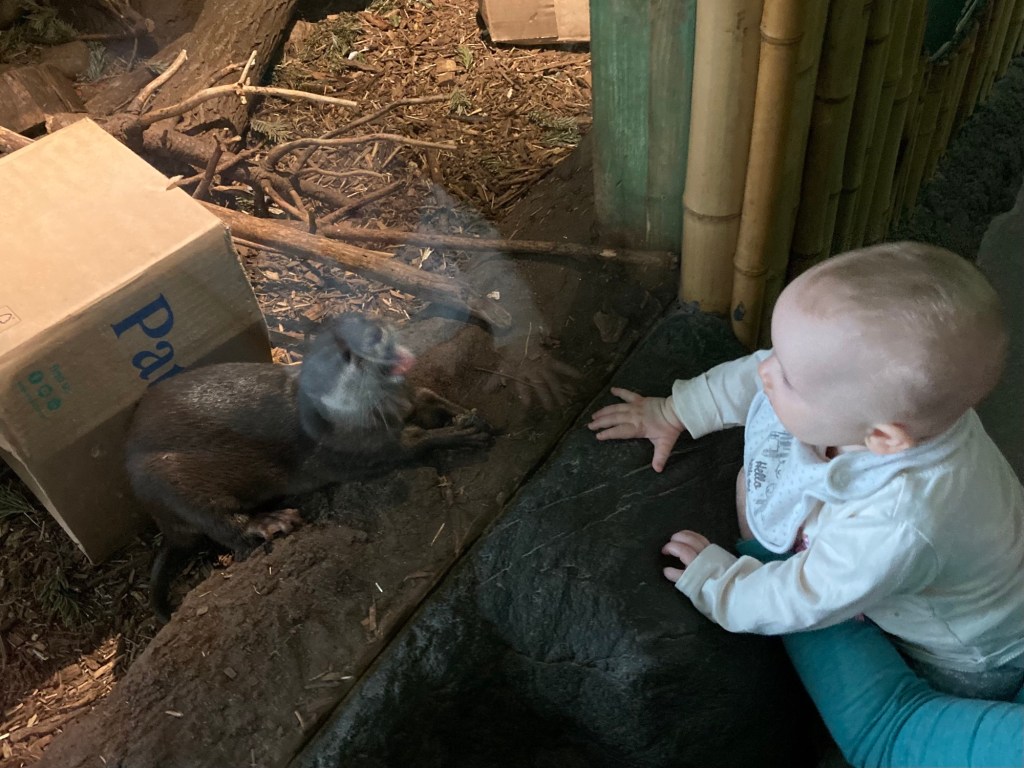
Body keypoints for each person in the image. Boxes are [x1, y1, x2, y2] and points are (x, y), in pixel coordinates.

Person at [589, 242, 1024, 765]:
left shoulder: (900, 519)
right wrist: (677, 409)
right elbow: (761, 374)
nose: (766, 372)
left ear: (883, 439)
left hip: (970, 653)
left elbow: (809, 594)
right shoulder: (886, 408)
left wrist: (724, 584)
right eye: (778, 352)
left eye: (788, 377)